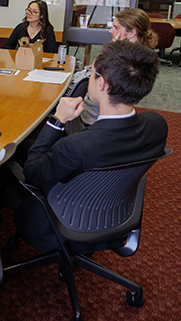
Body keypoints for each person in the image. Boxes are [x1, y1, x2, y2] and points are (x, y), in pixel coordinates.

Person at [14, 40, 168, 252]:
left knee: (13, 161)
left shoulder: (76, 146)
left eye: (91, 73)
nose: (89, 77)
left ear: (102, 84)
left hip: (61, 222)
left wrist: (57, 120)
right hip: (115, 214)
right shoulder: (158, 126)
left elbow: (32, 171)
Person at [72, 8, 158, 130]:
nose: (111, 31)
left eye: (116, 27)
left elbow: (94, 74)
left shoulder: (126, 60)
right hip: (107, 115)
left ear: (132, 33)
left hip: (96, 116)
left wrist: (109, 50)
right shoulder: (137, 53)